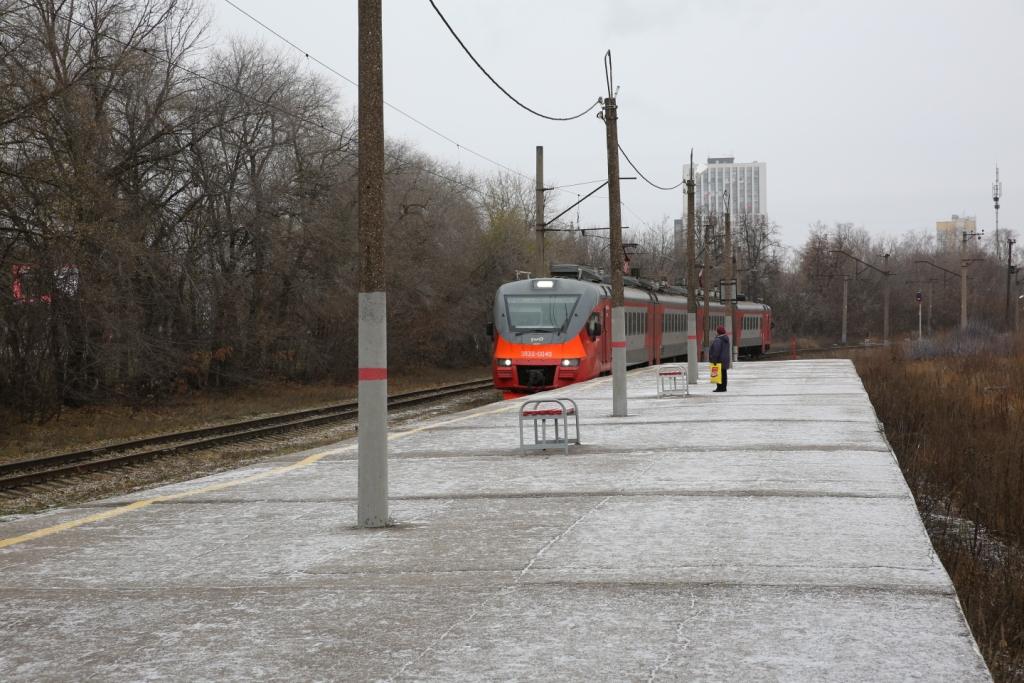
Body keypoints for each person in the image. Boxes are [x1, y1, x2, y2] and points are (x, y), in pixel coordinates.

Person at [709, 324, 730, 392]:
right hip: (725, 360)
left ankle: (719, 388)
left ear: (718, 332)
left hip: (719, 360)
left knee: (718, 375)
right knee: (724, 374)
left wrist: (713, 360)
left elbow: (716, 351)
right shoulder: (726, 339)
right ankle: (724, 388)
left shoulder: (718, 340)